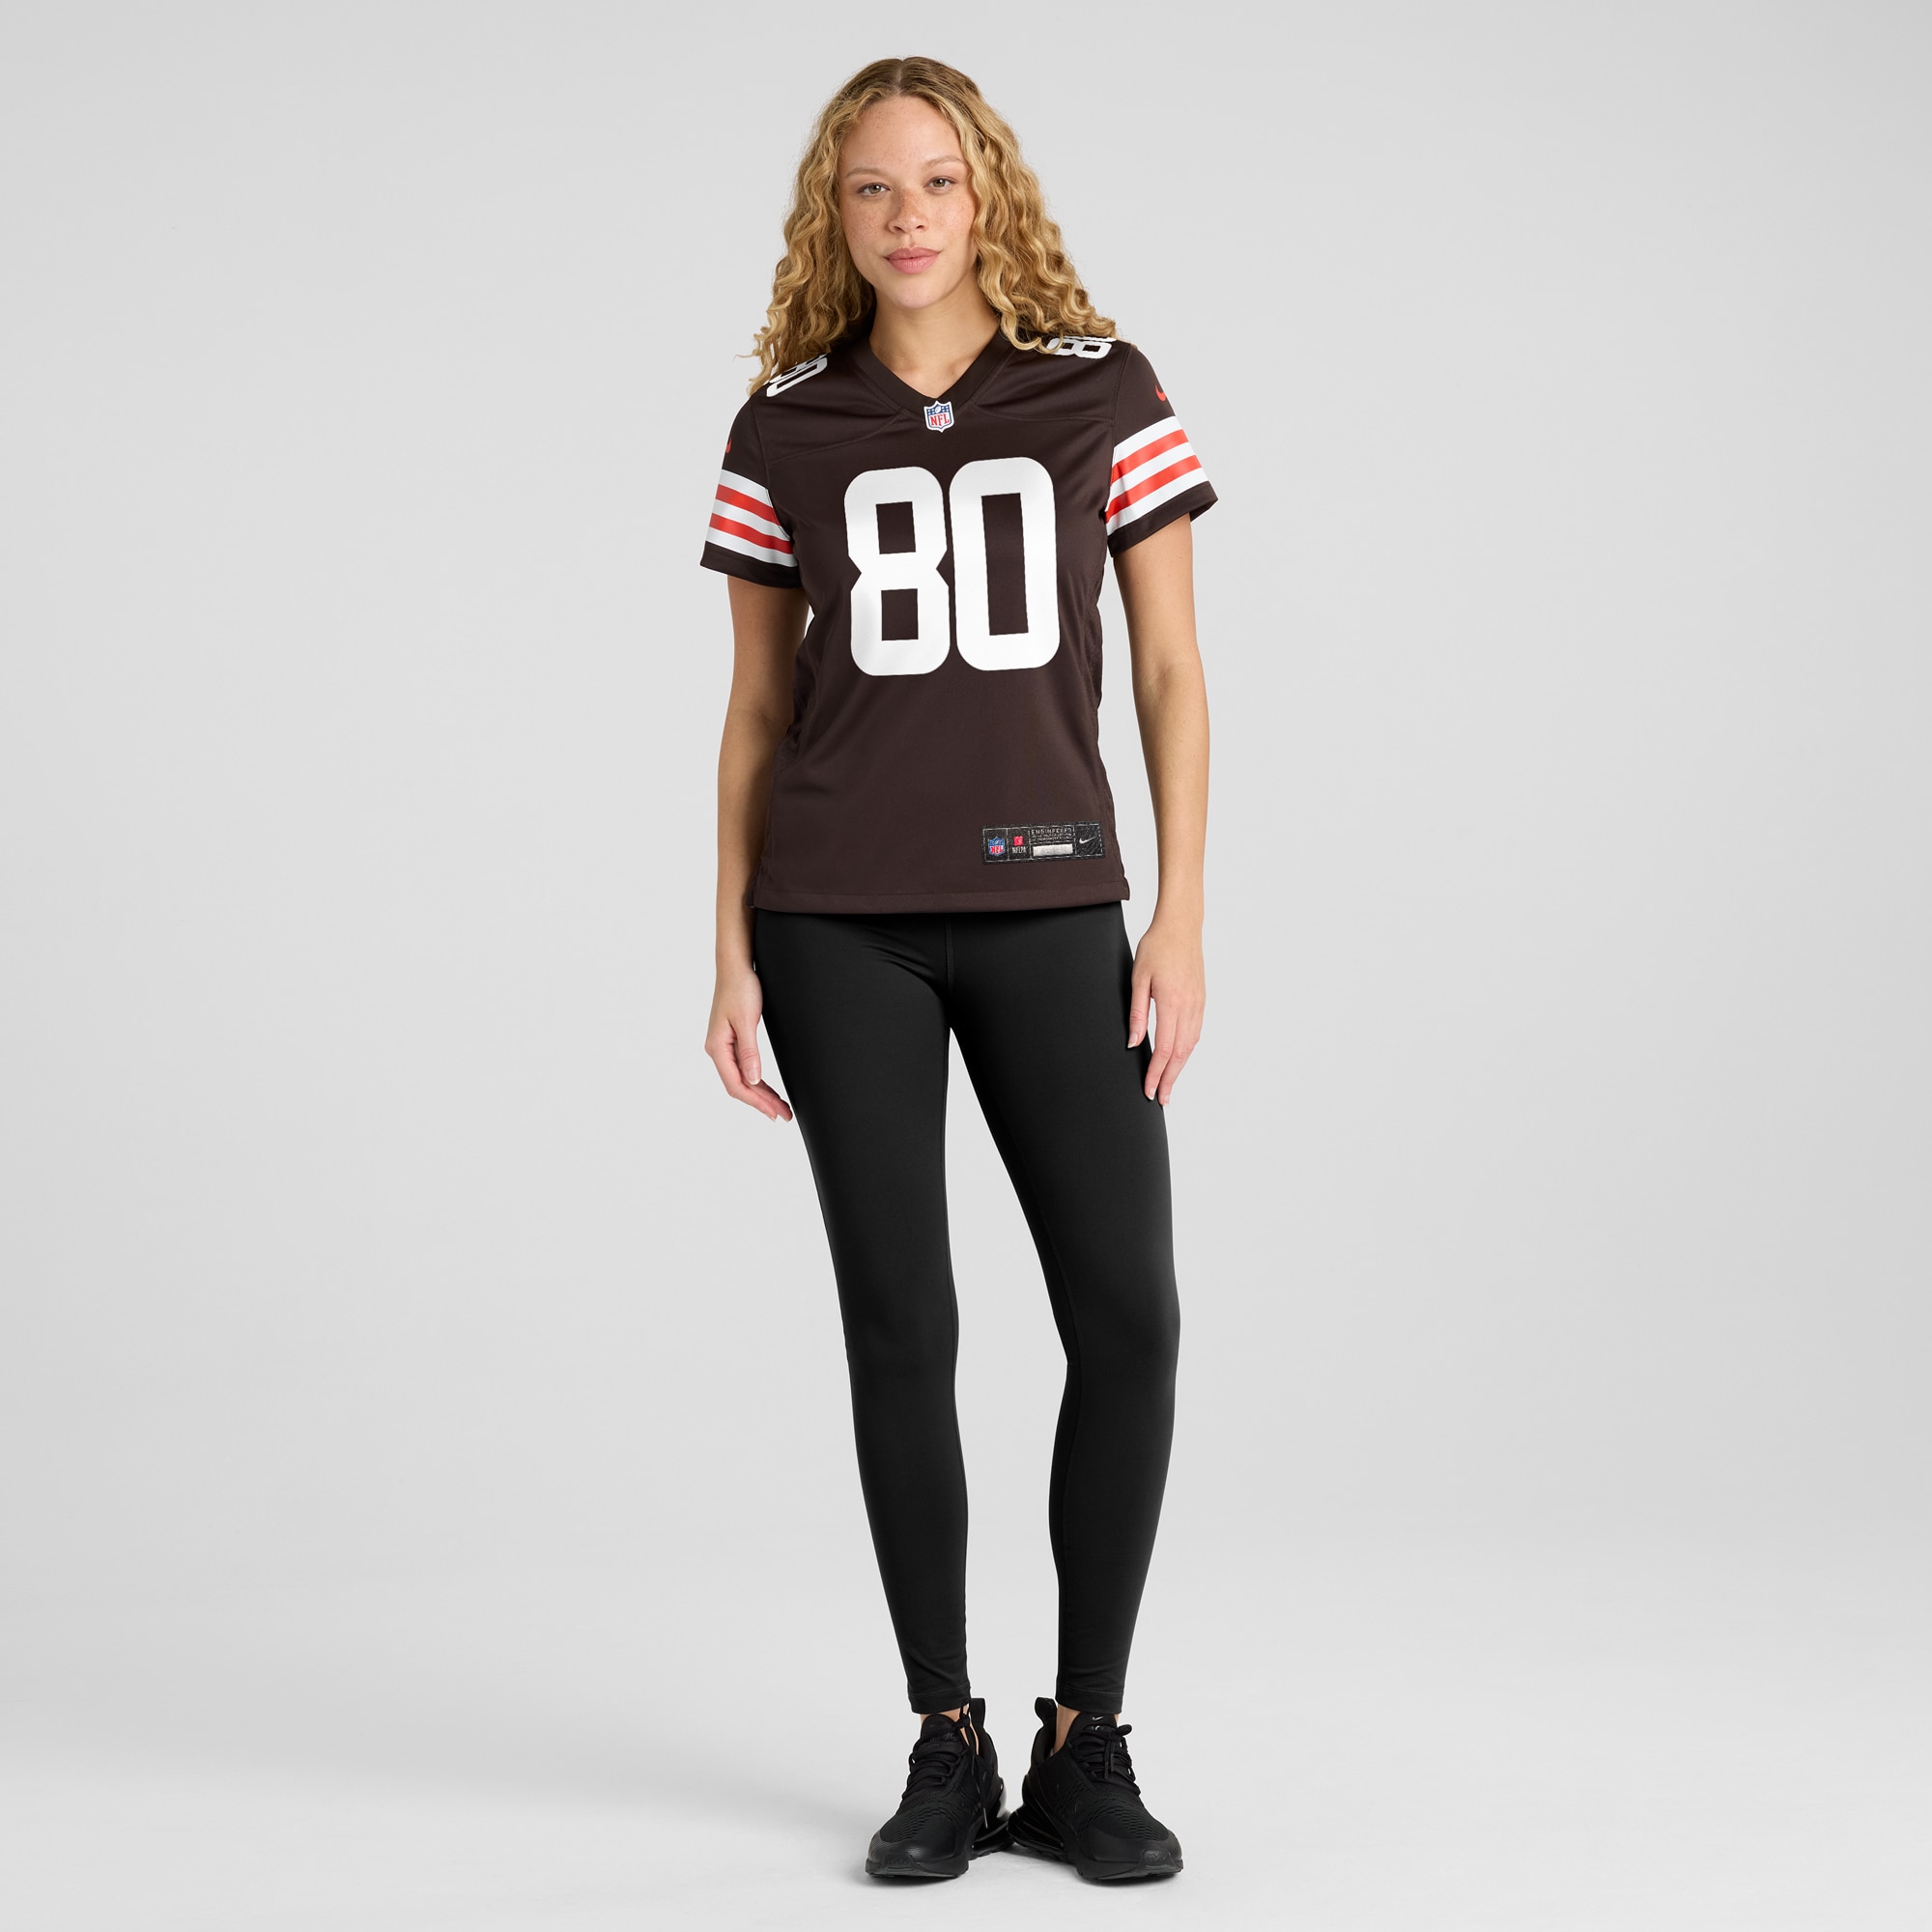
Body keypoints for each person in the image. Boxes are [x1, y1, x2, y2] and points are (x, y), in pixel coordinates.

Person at [700, 55, 1211, 1884]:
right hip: (837, 923)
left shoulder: (1101, 391)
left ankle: (1086, 1741)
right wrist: (728, 948)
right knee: (902, 1327)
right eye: (870, 189)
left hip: (1053, 907)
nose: (906, 216)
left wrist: (1179, 916)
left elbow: (1170, 672)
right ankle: (944, 1735)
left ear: (986, 190)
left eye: (934, 180)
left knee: (1128, 1315)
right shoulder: (786, 426)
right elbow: (758, 709)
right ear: (831, 217)